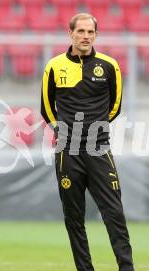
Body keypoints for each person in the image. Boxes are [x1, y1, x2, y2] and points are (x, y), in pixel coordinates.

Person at [40, 13, 134, 271]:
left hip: (98, 148)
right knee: (74, 217)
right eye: (80, 31)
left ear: (96, 35)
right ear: (70, 34)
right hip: (67, 151)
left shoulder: (109, 65)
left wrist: (96, 128)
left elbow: (115, 106)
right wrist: (64, 131)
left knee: (114, 214)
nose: (85, 36)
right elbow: (47, 109)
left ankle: (127, 267)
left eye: (90, 32)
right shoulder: (54, 66)